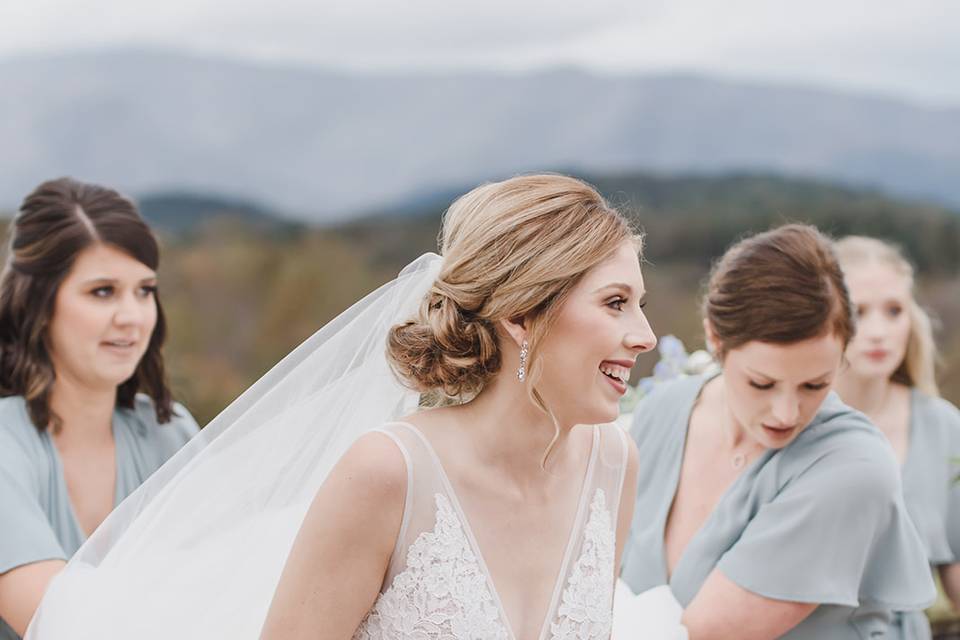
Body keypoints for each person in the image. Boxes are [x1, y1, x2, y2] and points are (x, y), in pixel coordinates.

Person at [25, 174, 654, 640]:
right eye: (616, 303)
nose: (646, 335)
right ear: (522, 314)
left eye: (641, 303)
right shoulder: (388, 471)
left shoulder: (613, 463)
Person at [620, 224, 935, 639]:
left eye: (815, 385)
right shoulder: (662, 411)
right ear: (715, 338)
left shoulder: (855, 469)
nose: (787, 414)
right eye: (761, 383)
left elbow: (705, 634)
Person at [0, 178, 199, 638]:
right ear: (39, 305)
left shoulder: (169, 431)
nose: (132, 316)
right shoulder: (6, 444)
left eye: (144, 290)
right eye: (102, 291)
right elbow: (62, 626)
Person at [834, 235, 960, 639]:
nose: (877, 332)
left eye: (893, 311)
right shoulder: (787, 419)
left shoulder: (943, 426)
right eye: (858, 312)